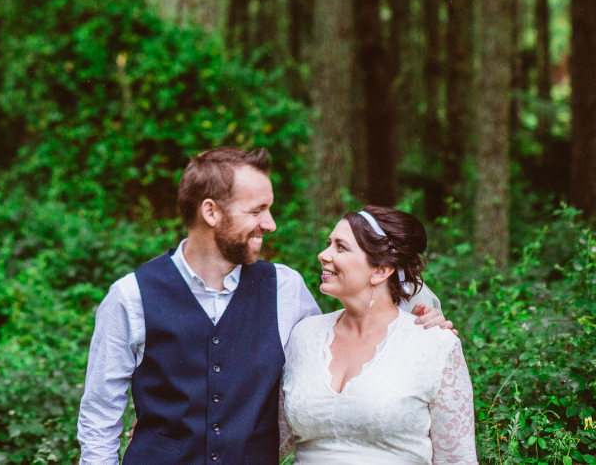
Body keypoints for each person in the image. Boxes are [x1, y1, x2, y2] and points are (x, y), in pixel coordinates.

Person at [77, 148, 453, 465]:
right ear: (211, 212)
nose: (270, 224)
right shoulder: (130, 297)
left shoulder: (285, 288)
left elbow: (341, 344)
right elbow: (99, 418)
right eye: (257, 211)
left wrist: (415, 323)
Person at [282, 208, 477, 464]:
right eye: (329, 244)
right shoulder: (303, 335)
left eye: (341, 247)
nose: (323, 254)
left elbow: (458, 459)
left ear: (380, 271)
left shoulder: (435, 343)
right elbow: (270, 439)